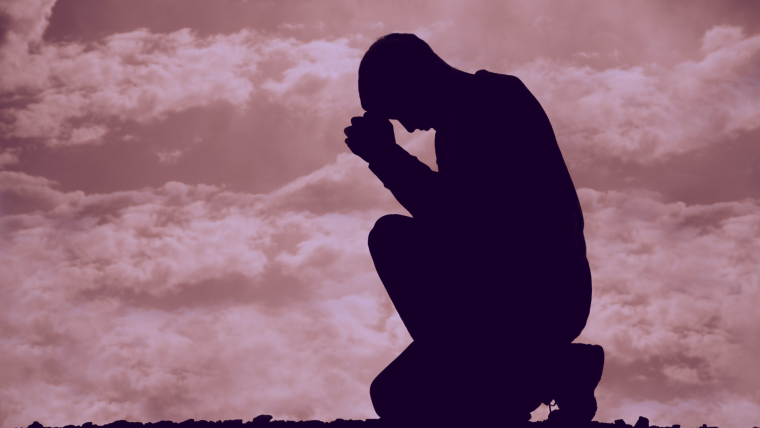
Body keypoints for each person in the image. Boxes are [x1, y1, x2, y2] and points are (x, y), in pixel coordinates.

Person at [343, 33, 604, 426]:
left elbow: (458, 224)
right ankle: (544, 373)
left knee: (393, 239)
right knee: (394, 395)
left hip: (538, 297)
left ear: (415, 78)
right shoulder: (456, 125)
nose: (409, 126)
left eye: (398, 109)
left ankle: (536, 376)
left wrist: (385, 157)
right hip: (502, 301)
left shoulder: (491, 103)